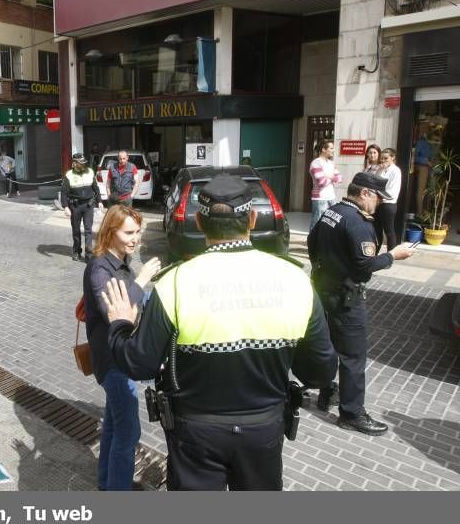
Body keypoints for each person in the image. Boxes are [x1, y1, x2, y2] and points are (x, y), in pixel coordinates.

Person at [102, 175, 338, 490]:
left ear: (199, 221)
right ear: (252, 219)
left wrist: (120, 323)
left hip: (195, 435)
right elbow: (321, 372)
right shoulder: (295, 280)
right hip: (263, 432)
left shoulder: (175, 282)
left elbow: (140, 364)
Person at [308, 172, 413, 435]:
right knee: (353, 356)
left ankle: (327, 393)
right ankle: (352, 413)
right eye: (377, 198)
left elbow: (312, 242)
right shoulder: (357, 222)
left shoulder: (332, 212)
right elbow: (364, 267)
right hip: (346, 298)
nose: (378, 204)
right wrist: (392, 256)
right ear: (365, 193)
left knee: (330, 346)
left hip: (324, 290)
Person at [83, 205, 161, 490]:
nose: (135, 238)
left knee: (115, 426)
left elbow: (138, 304)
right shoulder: (99, 269)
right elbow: (116, 315)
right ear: (110, 231)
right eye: (129, 232)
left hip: (123, 357)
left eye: (138, 232)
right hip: (112, 362)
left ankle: (107, 483)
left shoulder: (122, 262)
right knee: (128, 432)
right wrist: (142, 280)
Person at [61, 153, 104, 262]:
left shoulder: (90, 172)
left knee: (88, 230)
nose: (83, 165)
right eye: (81, 163)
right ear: (74, 163)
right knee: (76, 230)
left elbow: (96, 188)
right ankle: (77, 252)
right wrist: (65, 206)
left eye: (84, 163)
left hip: (89, 205)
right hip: (75, 206)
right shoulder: (69, 175)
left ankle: (89, 255)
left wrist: (99, 201)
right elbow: (64, 193)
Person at [309, 140, 342, 230]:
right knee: (317, 222)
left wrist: (328, 176)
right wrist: (332, 177)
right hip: (320, 198)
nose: (333, 150)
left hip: (331, 197)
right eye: (331, 148)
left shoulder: (331, 163)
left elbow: (339, 179)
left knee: (329, 223)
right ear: (323, 149)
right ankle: (313, 242)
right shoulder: (316, 163)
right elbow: (322, 182)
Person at [374, 148, 402, 252]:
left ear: (392, 158)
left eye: (385, 158)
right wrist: (379, 170)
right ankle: (375, 252)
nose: (383, 160)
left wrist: (379, 195)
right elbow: (374, 182)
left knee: (389, 231)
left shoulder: (396, 171)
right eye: (381, 158)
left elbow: (392, 192)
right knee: (377, 229)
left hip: (388, 204)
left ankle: (391, 255)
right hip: (378, 203)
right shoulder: (380, 169)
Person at [413, 125, 432, 215]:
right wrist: (426, 161)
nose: (427, 130)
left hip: (427, 167)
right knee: (421, 191)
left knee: (426, 191)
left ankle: (424, 212)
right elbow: (414, 157)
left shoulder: (425, 141)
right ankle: (419, 213)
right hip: (422, 167)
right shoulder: (420, 142)